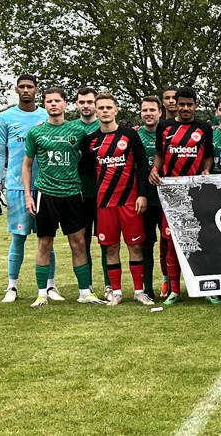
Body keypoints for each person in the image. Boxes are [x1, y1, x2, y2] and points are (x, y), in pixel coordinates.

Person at [22, 88, 104, 307]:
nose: (53, 104)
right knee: (44, 243)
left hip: (72, 194)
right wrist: (29, 195)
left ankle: (85, 291)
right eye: (49, 101)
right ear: (45, 105)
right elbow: (27, 164)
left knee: (78, 243)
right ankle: (42, 293)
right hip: (45, 194)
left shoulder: (77, 131)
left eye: (57, 101)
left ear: (65, 104)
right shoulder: (36, 132)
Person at [78, 93, 154, 306]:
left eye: (108, 107)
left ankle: (139, 291)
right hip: (105, 204)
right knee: (110, 248)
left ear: (116, 109)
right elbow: (85, 170)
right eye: (100, 107)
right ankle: (117, 292)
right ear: (95, 110)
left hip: (130, 201)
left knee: (135, 246)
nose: (104, 111)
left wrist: (142, 194)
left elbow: (142, 166)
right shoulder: (91, 140)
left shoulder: (130, 135)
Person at [149, 86, 215, 305]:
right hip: (171, 193)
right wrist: (155, 169)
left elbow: (207, 157)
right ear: (175, 104)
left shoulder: (204, 127)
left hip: (196, 192)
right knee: (171, 242)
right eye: (182, 104)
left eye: (190, 104)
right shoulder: (165, 126)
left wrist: (206, 170)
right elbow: (160, 153)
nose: (186, 108)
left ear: (195, 105)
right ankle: (175, 291)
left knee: (199, 240)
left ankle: (207, 288)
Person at [0, 75, 55, 303]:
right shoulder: (5, 117)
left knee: (46, 237)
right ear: (16, 89)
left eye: (30, 87)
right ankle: (12, 286)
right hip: (17, 186)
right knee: (18, 237)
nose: (26, 90)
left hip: (46, 185)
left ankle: (50, 286)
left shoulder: (46, 115)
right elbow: (0, 153)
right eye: (22, 87)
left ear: (36, 90)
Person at [68, 87, 104, 296]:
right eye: (82, 102)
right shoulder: (70, 127)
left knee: (106, 241)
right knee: (81, 241)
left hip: (103, 193)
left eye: (90, 102)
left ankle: (110, 287)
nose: (86, 106)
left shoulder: (107, 127)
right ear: (76, 104)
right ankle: (87, 285)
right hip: (78, 193)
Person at [136, 96, 165, 298]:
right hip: (145, 198)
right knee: (146, 244)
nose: (148, 113)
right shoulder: (135, 136)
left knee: (168, 243)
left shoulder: (167, 133)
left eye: (152, 110)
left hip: (167, 197)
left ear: (160, 112)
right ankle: (148, 288)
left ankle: (170, 284)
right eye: (145, 110)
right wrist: (141, 194)